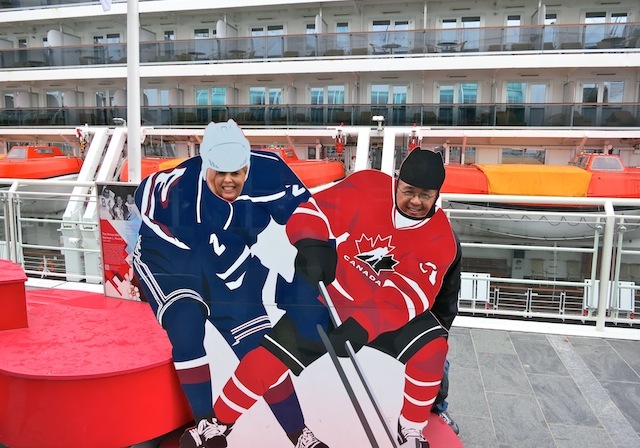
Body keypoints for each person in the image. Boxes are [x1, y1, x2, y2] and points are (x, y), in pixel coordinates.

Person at [210, 148, 462, 447]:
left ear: (437, 195)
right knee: (268, 357)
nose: (416, 201)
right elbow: (314, 211)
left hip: (384, 313)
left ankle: (410, 429)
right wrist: (311, 243)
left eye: (426, 195)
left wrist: (362, 325)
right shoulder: (369, 187)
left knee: (432, 348)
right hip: (334, 298)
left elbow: (408, 294)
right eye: (408, 191)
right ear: (397, 182)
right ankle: (217, 424)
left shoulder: (441, 239)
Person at [132, 120, 329, 448]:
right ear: (205, 164)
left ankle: (300, 436)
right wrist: (281, 287)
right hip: (168, 258)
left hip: (225, 255)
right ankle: (206, 422)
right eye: (218, 172)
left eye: (236, 171)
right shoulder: (178, 192)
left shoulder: (270, 171)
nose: (228, 180)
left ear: (248, 164)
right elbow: (218, 262)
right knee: (187, 324)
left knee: (259, 350)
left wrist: (314, 257)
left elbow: (305, 211)